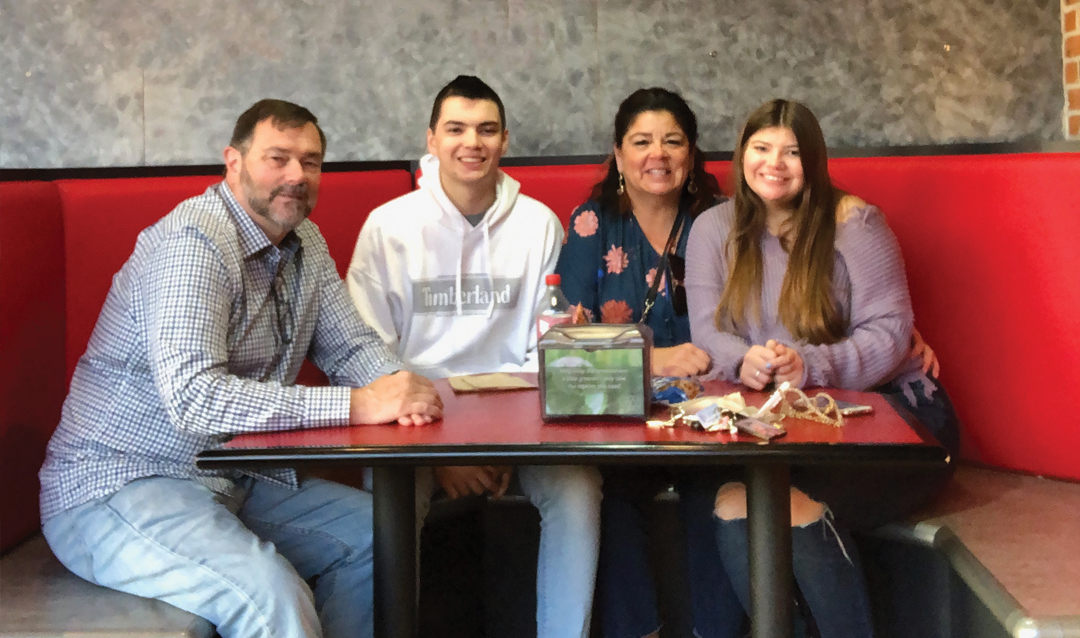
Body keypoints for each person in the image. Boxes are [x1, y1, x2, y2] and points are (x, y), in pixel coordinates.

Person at [38, 99, 443, 638]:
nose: (297, 176)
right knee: (271, 596)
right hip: (119, 483)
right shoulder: (195, 242)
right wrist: (361, 403)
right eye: (278, 158)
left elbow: (351, 350)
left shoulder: (307, 243)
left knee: (379, 537)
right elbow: (194, 398)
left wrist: (403, 390)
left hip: (228, 477)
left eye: (312, 161)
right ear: (233, 162)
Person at [685, 98, 960, 638]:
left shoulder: (854, 222)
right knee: (734, 502)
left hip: (899, 418)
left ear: (813, 160)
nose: (775, 163)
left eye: (792, 152)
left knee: (785, 505)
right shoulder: (713, 229)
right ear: (742, 155)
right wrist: (747, 361)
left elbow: (890, 335)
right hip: (788, 429)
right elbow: (707, 332)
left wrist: (805, 365)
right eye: (762, 148)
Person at [347, 75, 602, 638]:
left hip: (519, 423)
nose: (473, 142)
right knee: (381, 497)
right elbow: (370, 355)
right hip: (414, 427)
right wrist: (442, 456)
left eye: (487, 130)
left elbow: (545, 347)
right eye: (457, 129)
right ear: (432, 139)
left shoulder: (538, 224)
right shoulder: (387, 227)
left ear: (504, 140)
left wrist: (512, 441)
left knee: (579, 488)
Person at [555, 87, 744, 638]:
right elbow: (569, 344)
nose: (656, 154)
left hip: (711, 418)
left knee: (719, 498)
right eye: (641, 142)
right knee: (610, 497)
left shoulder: (720, 220)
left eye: (672, 141)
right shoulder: (591, 223)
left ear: (691, 154)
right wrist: (656, 358)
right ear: (618, 155)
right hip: (624, 416)